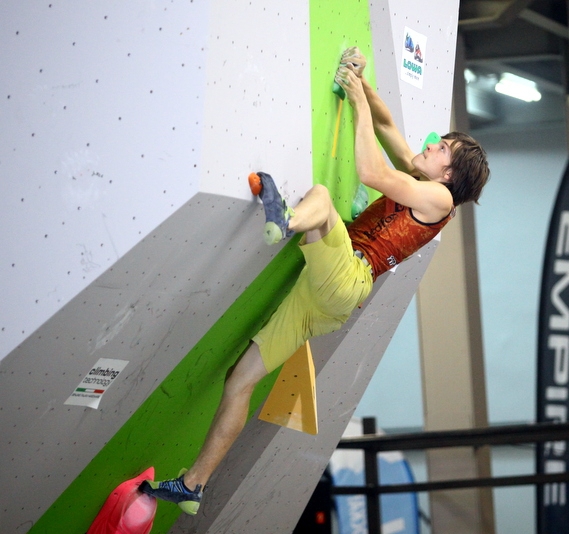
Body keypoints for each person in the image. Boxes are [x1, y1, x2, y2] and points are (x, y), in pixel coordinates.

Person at [139, 47, 490, 515]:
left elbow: (371, 171)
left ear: (448, 174)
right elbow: (387, 125)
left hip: (348, 277)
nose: (431, 145)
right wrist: (361, 82)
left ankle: (284, 220)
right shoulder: (422, 179)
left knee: (321, 199)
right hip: (327, 297)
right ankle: (194, 486)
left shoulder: (438, 199)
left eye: (442, 148)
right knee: (240, 380)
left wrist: (356, 99)